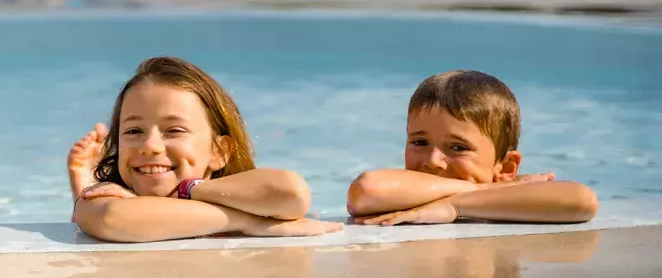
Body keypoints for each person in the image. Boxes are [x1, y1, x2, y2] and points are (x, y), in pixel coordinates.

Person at [68, 56, 343, 242]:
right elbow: (113, 219)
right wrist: (252, 223)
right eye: (133, 131)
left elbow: (290, 193)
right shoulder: (106, 198)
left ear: (219, 150)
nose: (150, 145)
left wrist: (190, 190)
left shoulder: (242, 192)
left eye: (174, 130)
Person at [347, 70, 599, 225]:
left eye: (457, 147)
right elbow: (368, 190)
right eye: (419, 142)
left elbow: (582, 201)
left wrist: (454, 206)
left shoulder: (508, 197)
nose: (433, 160)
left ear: (507, 167)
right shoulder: (404, 188)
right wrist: (480, 187)